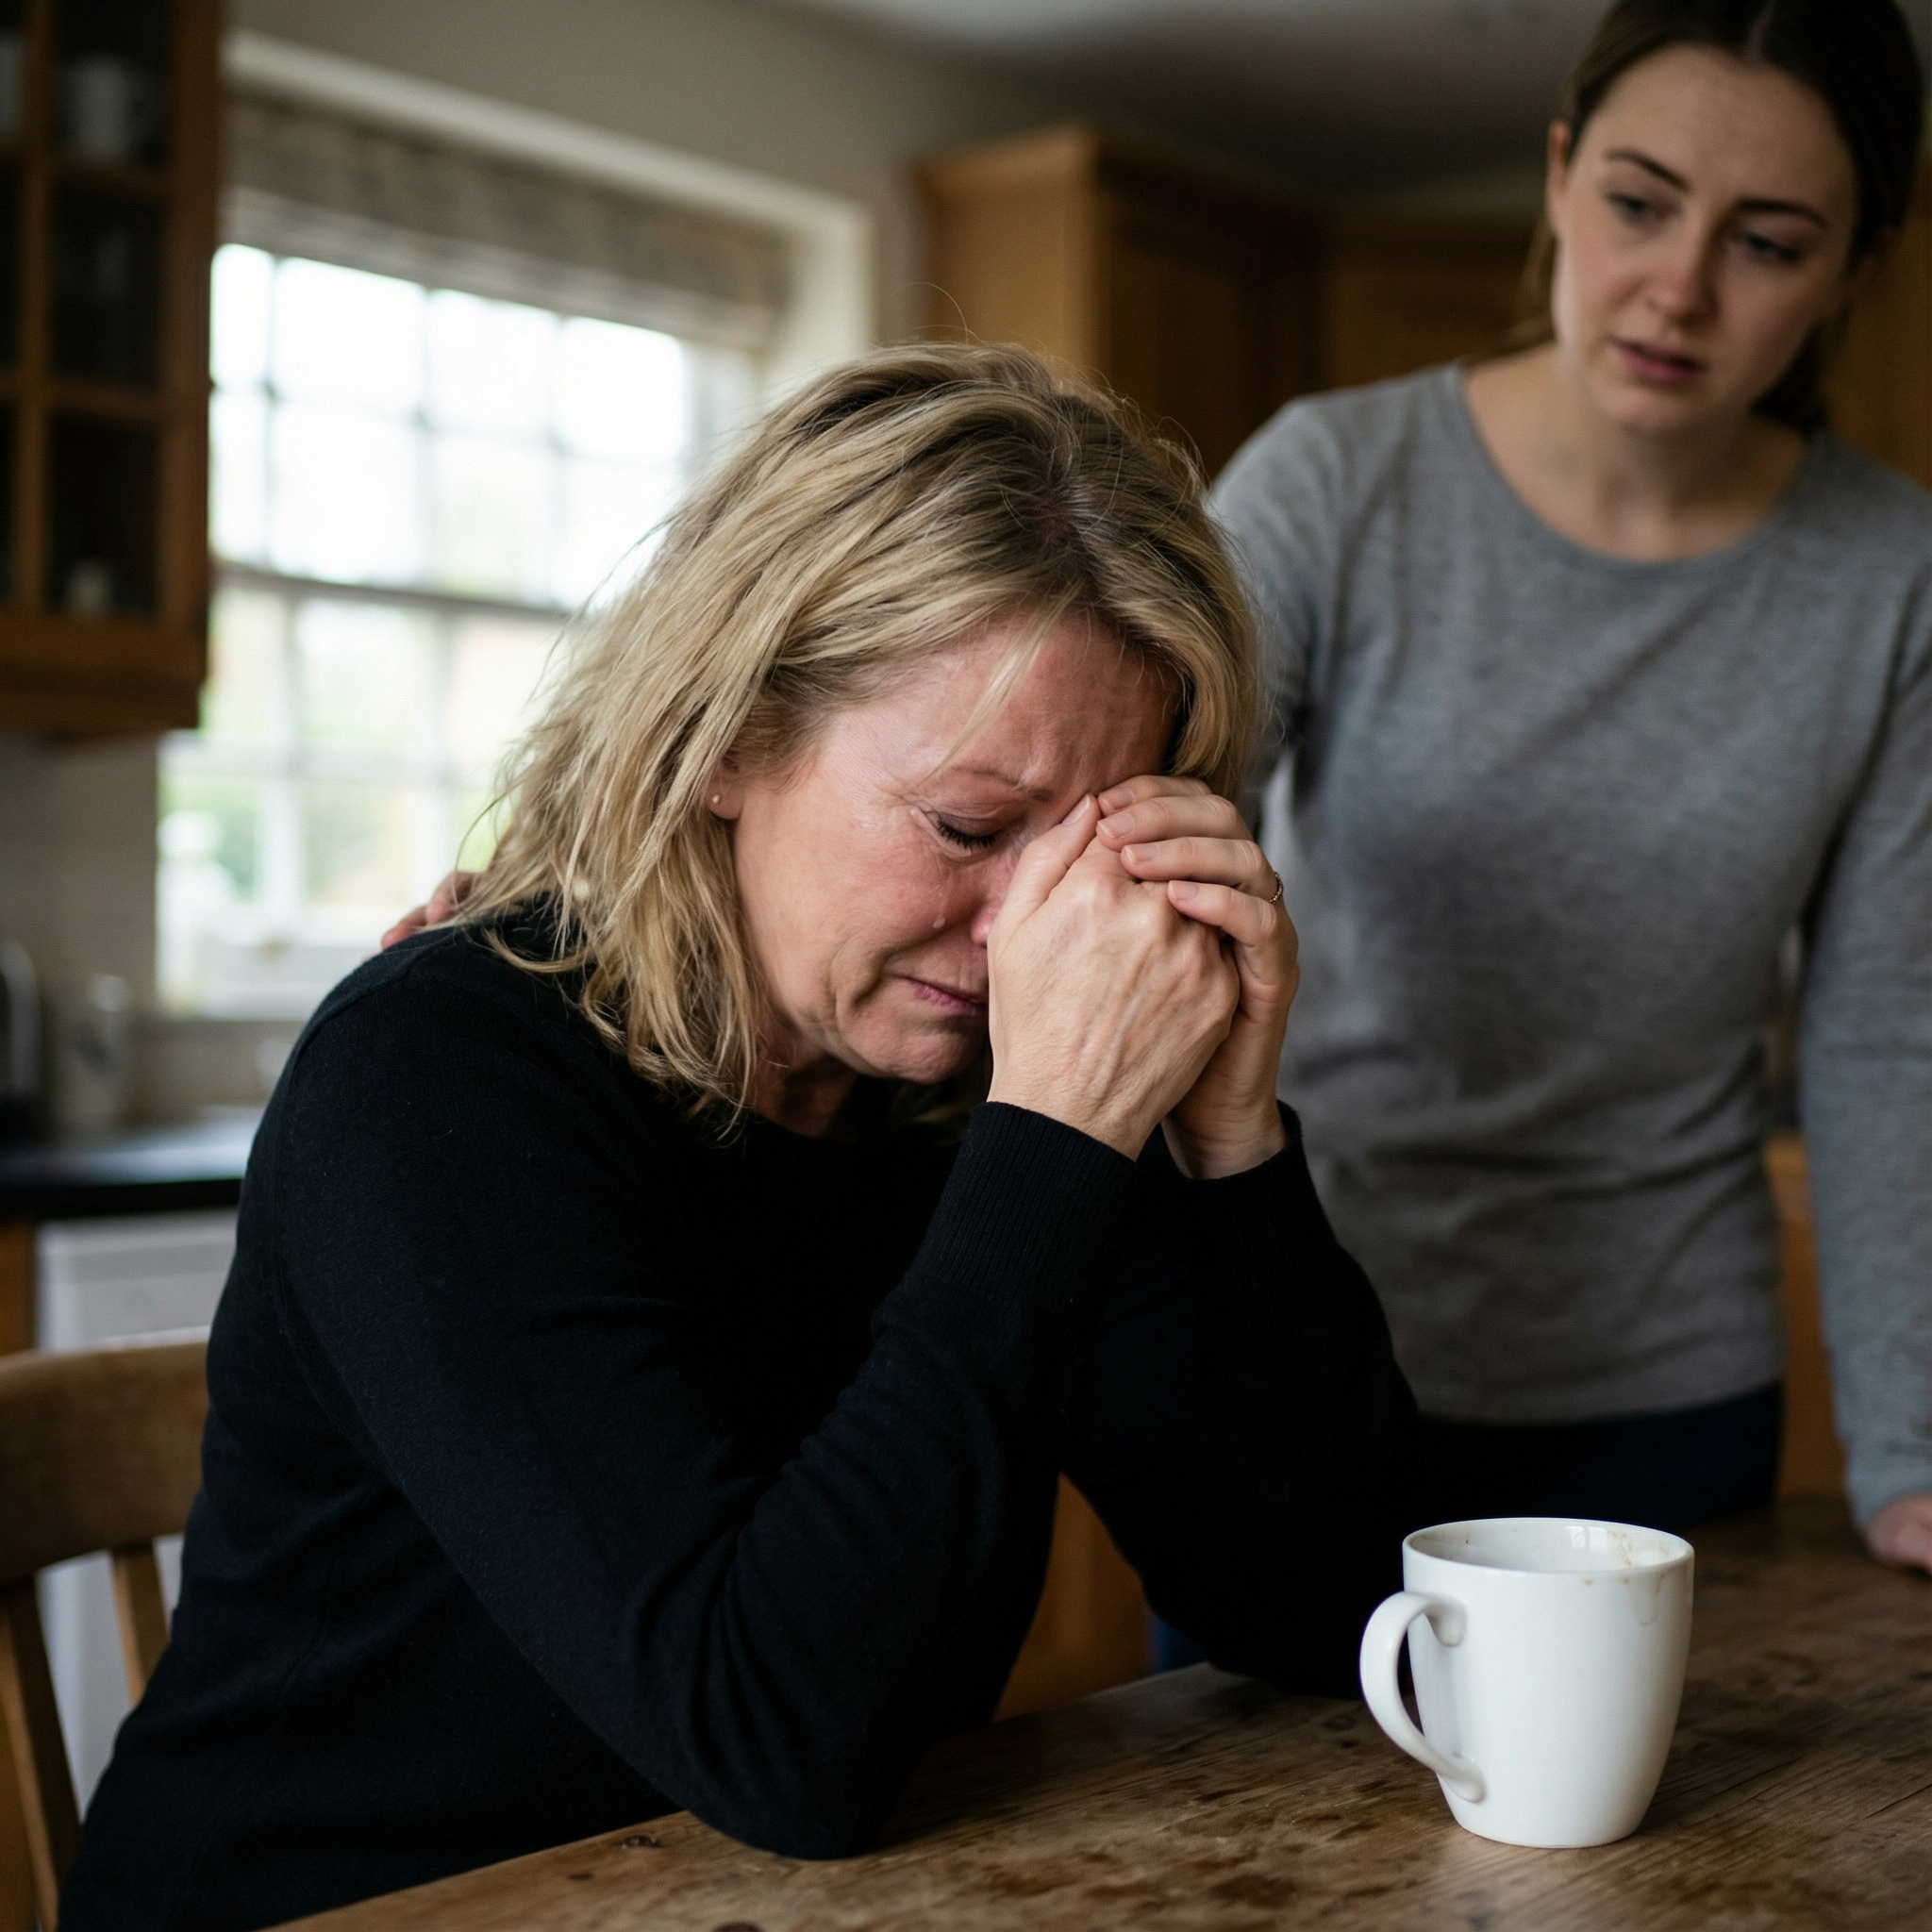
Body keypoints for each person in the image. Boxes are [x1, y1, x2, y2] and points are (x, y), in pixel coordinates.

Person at [61, 345, 1416, 1930]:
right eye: (971, 830)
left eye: (1091, 859)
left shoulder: (986, 1094)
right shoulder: (437, 1079)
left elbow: (1342, 1612)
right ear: (724, 739)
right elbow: (783, 1739)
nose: (1032, 933)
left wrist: (1231, 1138)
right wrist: (1053, 1136)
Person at [1215, 0, 1931, 1566]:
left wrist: (1911, 1450)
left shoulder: (1893, 579)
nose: (1677, 288)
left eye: (1769, 242)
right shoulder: (1330, 486)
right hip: (1308, 1359)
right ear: (1557, 176)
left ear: (1855, 267)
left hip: (1669, 1392)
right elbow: (1162, 862)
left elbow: (1887, 1029)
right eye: (1637, 203)